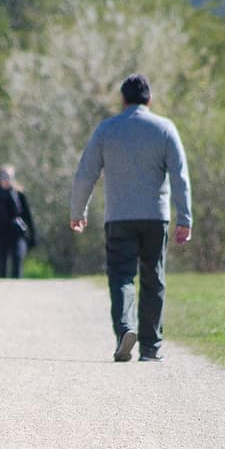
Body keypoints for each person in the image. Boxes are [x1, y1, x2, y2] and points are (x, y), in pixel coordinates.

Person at [70, 74, 192, 363]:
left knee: (122, 276)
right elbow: (180, 176)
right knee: (154, 278)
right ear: (149, 99)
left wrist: (78, 212)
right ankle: (150, 348)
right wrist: (184, 218)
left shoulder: (106, 130)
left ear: (123, 100)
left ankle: (125, 329)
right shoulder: (165, 128)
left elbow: (85, 173)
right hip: (155, 216)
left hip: (119, 217)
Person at [0, 165, 36, 278]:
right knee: (1, 266)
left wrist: (33, 235)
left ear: (13, 178)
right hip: (1, 234)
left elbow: (28, 217)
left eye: (8, 177)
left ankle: (16, 290)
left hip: (17, 234)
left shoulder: (20, 195)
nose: (5, 179)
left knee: (17, 260)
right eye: (3, 176)